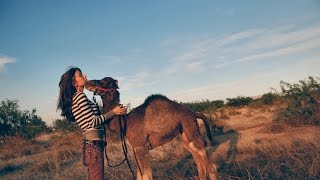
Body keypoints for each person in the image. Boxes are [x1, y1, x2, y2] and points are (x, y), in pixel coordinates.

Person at [57, 66, 127, 180]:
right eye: (80, 75)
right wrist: (114, 112)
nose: (85, 76)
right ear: (74, 83)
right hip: (93, 146)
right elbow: (92, 121)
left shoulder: (79, 98)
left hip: (92, 145)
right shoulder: (80, 97)